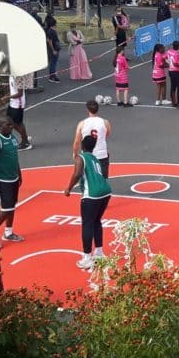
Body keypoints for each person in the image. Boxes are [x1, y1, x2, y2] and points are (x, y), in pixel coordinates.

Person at [65, 135, 113, 269]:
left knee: (87, 224)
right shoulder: (95, 159)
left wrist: (68, 188)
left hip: (92, 194)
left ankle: (87, 258)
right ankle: (99, 252)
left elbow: (77, 173)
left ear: (82, 145)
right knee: (96, 221)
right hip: (106, 192)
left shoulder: (81, 157)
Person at [72, 99, 111, 177]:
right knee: (102, 178)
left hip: (87, 155)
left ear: (87, 109)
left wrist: (75, 153)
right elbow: (107, 134)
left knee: (88, 178)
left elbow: (77, 141)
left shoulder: (82, 123)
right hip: (101, 153)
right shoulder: (105, 122)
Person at [2, 76, 32, 150]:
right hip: (13, 103)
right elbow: (13, 89)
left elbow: (20, 93)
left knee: (17, 123)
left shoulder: (18, 77)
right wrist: (7, 96)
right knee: (10, 121)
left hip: (18, 104)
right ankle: (24, 136)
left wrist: (7, 97)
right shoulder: (11, 76)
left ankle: (25, 142)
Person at [165, 40, 179, 108]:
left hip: (171, 71)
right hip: (177, 72)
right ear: (178, 46)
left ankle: (173, 102)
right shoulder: (176, 54)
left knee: (173, 86)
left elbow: (165, 58)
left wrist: (168, 64)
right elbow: (175, 63)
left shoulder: (168, 51)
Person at [45, 18, 61, 83]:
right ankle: (52, 76)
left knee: (53, 62)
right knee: (53, 63)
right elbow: (50, 41)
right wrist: (53, 50)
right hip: (54, 49)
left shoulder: (50, 30)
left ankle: (52, 75)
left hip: (54, 49)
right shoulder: (51, 31)